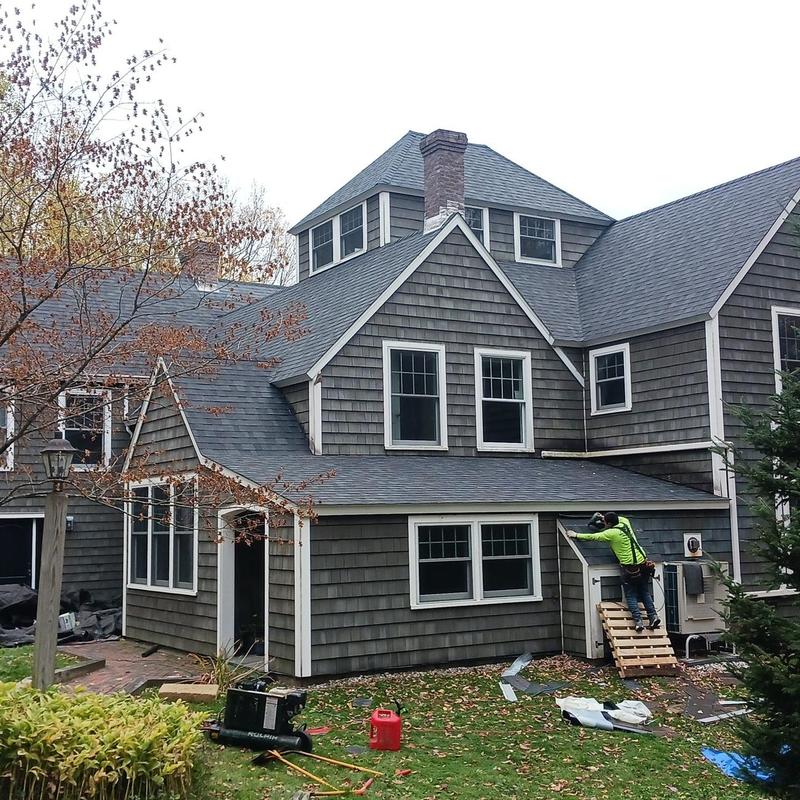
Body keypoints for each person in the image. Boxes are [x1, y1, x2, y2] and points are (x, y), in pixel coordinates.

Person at [568, 512, 661, 633]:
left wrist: (575, 535)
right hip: (643, 564)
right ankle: (653, 617)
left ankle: (638, 622)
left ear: (609, 523)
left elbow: (594, 537)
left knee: (631, 595)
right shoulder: (625, 522)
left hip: (630, 568)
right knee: (644, 592)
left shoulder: (611, 533)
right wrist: (604, 517)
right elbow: (617, 518)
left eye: (605, 522)